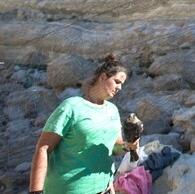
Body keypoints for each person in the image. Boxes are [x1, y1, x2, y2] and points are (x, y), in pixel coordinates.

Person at [29, 54, 140, 194]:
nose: (120, 88)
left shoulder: (112, 110)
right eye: (117, 82)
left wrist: (126, 146)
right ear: (103, 77)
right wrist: (35, 191)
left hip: (103, 189)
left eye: (122, 84)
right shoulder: (71, 107)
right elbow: (43, 148)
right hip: (67, 189)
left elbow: (114, 147)